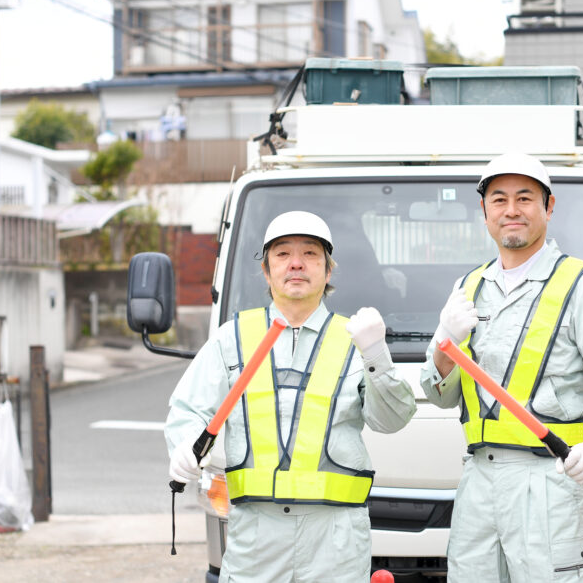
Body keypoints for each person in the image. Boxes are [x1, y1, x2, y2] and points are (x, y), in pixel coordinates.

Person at [420, 153, 583, 582]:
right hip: (479, 481)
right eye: (499, 199)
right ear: (484, 211)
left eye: (524, 198)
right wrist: (445, 343)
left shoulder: (582, 286)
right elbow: (439, 394)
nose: (512, 210)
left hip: (551, 482)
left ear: (548, 207)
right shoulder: (468, 288)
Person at [165, 210, 416, 583]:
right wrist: (185, 444)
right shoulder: (232, 338)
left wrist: (377, 354)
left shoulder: (355, 339)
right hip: (255, 538)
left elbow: (392, 419)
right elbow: (188, 409)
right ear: (266, 272)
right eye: (282, 254)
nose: (296, 263)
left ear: (328, 271)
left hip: (335, 539)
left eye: (310, 254)